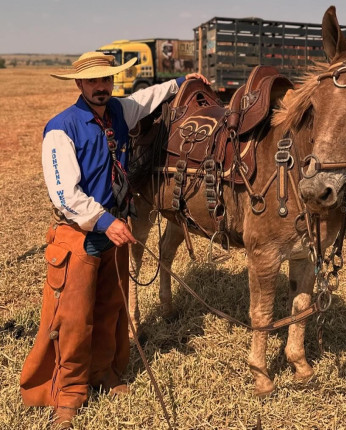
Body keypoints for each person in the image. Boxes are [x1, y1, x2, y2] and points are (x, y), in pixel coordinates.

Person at [19, 51, 209, 429]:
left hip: (113, 229)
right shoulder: (62, 128)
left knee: (111, 308)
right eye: (94, 82)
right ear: (79, 85)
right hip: (80, 234)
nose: (102, 87)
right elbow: (64, 194)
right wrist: (105, 222)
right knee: (73, 319)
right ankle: (70, 392)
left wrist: (182, 82)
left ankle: (104, 372)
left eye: (106, 80)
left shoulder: (120, 111)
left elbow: (148, 98)